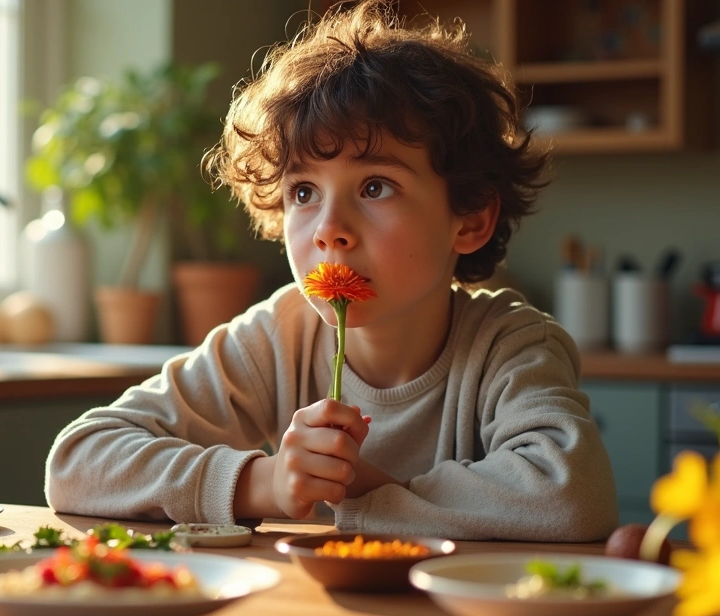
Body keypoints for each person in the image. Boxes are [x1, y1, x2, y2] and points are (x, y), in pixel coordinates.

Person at [45, 0, 618, 541]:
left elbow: (570, 494)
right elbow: (79, 460)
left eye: (375, 186)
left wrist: (369, 496)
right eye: (303, 192)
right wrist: (262, 483)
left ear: (469, 218)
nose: (329, 228)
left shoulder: (510, 345)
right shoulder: (279, 336)